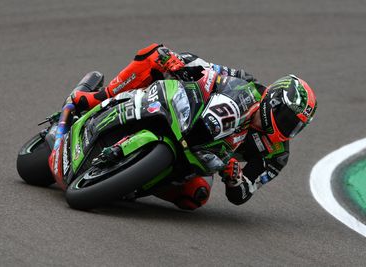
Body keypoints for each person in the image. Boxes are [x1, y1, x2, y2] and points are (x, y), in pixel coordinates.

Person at [49, 43, 317, 210]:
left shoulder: (276, 154)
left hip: (205, 158)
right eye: (287, 119)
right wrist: (178, 63)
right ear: (273, 99)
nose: (287, 129)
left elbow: (244, 193)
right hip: (190, 116)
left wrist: (235, 179)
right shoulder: (245, 83)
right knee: (155, 55)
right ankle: (100, 96)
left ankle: (129, 182)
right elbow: (206, 67)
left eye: (296, 126)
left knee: (196, 197)